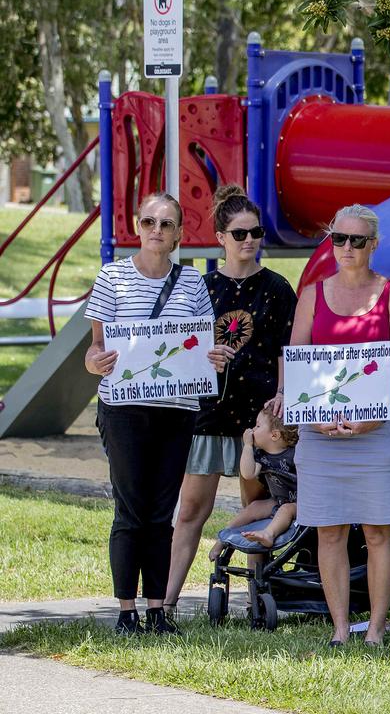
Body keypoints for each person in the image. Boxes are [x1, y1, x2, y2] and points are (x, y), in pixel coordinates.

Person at [84, 192, 232, 635]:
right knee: (131, 507)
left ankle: (156, 609)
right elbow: (96, 347)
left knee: (162, 511)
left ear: (179, 234)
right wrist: (94, 362)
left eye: (166, 224)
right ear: (137, 225)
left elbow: (203, 347)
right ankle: (127, 611)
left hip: (177, 410)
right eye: (149, 222)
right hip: (124, 410)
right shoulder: (112, 279)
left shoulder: (192, 284)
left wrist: (216, 358)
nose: (156, 231)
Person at [164, 185, 297, 613]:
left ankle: (259, 599)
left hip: (259, 422)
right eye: (239, 234)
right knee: (189, 513)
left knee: (257, 511)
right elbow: (180, 350)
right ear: (220, 236)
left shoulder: (277, 288)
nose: (249, 241)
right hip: (208, 413)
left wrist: (281, 393)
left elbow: (286, 352)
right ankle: (163, 603)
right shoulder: (200, 288)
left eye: (256, 232)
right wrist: (204, 360)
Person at [291, 204, 390, 647]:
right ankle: (341, 629)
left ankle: (377, 629)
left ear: (373, 245)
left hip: (375, 432)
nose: (345, 248)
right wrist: (309, 414)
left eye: (356, 240)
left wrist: (371, 418)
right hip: (320, 434)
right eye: (338, 238)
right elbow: (297, 362)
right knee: (330, 532)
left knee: (378, 531)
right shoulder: (311, 294)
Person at [208, 406, 299, 561]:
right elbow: (248, 473)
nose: (252, 429)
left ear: (274, 435)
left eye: (257, 425)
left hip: (300, 505)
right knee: (254, 507)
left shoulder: (295, 453)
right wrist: (248, 447)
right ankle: (224, 537)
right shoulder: (260, 455)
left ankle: (268, 534)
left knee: (286, 509)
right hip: (277, 500)